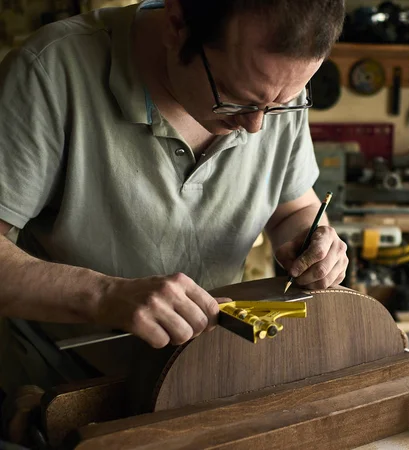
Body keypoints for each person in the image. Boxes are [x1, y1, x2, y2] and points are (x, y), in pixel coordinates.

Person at [0, 0, 348, 399]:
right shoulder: (50, 72)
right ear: (176, 23)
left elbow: (295, 208)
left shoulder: (269, 84)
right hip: (63, 389)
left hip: (202, 379)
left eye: (282, 105)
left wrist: (312, 238)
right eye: (236, 99)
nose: (256, 126)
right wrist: (105, 296)